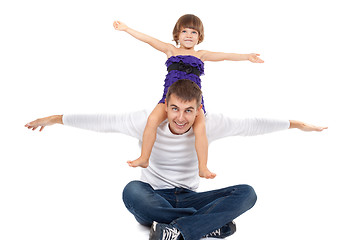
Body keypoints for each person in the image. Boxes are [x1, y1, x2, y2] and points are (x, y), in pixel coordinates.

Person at [25, 79, 327, 240]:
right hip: (153, 197)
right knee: (131, 190)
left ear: (198, 111)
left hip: (191, 198)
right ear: (165, 106)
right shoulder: (145, 121)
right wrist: (55, 118)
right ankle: (209, 227)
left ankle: (178, 231)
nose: (180, 118)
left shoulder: (208, 124)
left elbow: (252, 125)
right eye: (174, 109)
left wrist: (297, 124)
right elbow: (101, 120)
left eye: (188, 111)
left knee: (247, 193)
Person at [113, 14, 264, 179]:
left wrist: (246, 57)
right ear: (177, 34)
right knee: (151, 121)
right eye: (184, 31)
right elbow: (149, 40)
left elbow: (224, 55)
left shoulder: (201, 55)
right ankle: (144, 158)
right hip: (169, 98)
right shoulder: (171, 50)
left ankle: (203, 167)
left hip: (192, 101)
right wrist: (126, 29)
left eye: (193, 32)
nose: (189, 35)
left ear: (199, 37)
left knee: (200, 129)